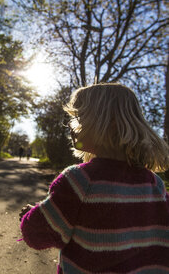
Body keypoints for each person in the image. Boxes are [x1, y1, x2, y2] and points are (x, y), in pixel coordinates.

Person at [19, 83, 169, 273]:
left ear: (109, 124)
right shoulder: (156, 185)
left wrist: (29, 216)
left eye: (79, 118)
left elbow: (39, 235)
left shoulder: (80, 181)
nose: (71, 126)